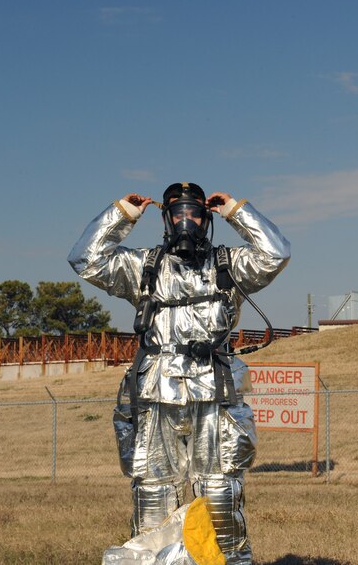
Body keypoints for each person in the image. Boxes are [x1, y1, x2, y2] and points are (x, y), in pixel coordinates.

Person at [69, 182, 290, 565]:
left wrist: (237, 211)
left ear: (206, 218)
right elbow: (86, 260)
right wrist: (121, 215)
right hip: (155, 392)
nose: (186, 220)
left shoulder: (229, 265)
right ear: (166, 220)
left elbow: (275, 254)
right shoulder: (143, 266)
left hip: (216, 392)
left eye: (194, 213)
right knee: (153, 492)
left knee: (220, 491)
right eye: (178, 213)